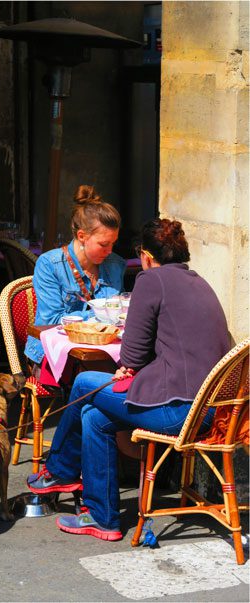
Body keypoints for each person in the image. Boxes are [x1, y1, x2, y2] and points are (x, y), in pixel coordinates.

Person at [27, 218, 230, 541]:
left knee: (83, 384)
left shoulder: (151, 281)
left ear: (146, 256)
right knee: (95, 417)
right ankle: (102, 518)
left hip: (182, 411)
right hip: (213, 408)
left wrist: (132, 367)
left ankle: (59, 470)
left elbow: (133, 355)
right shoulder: (198, 281)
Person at [24, 185, 126, 369]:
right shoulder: (50, 264)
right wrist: (101, 314)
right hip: (54, 356)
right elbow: (51, 321)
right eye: (104, 244)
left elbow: (120, 317)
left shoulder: (115, 264)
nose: (110, 251)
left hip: (102, 354)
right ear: (82, 236)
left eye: (113, 243)